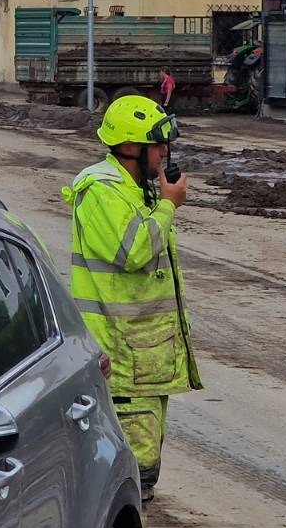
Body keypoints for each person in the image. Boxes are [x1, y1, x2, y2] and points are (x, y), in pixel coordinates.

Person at [62, 95, 201, 503]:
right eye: (158, 146)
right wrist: (169, 207)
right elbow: (133, 253)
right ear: (131, 147)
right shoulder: (103, 191)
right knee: (129, 477)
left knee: (143, 472)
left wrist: (160, 201)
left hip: (144, 358)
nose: (165, 154)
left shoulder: (135, 189)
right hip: (122, 359)